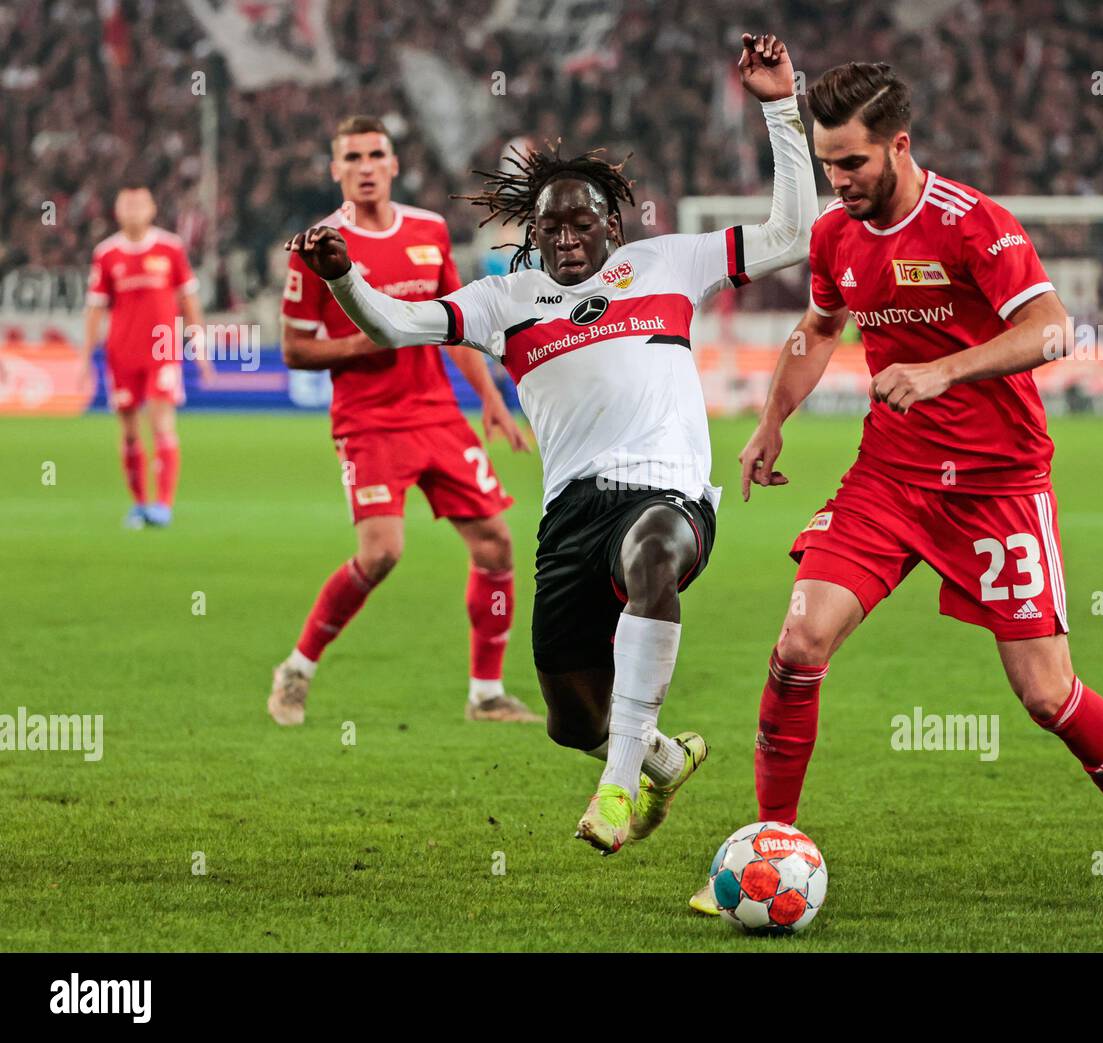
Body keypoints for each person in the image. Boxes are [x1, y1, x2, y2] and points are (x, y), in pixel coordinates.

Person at [692, 60, 1103, 916]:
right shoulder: (835, 234)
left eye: (853, 163)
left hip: (998, 484)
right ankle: (770, 846)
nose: (841, 182)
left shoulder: (977, 226)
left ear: (899, 145)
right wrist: (772, 420)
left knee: (1046, 693)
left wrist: (944, 372)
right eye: (828, 165)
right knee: (798, 642)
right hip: (890, 477)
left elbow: (1051, 331)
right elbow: (819, 328)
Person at [286, 34, 817, 854]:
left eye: (580, 220)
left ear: (612, 220)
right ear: (533, 234)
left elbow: (792, 232)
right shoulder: (507, 299)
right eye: (549, 225)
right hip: (570, 513)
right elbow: (396, 324)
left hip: (667, 489)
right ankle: (660, 757)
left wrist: (781, 106)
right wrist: (343, 279)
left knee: (653, 559)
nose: (566, 236)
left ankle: (615, 795)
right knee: (573, 719)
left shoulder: (669, 263)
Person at [270, 115, 539, 727]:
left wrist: (492, 399)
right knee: (382, 553)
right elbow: (294, 350)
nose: (365, 167)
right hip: (367, 420)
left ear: (393, 165)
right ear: (336, 170)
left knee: (497, 542)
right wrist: (365, 346)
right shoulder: (315, 246)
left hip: (436, 413)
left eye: (375, 155)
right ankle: (297, 669)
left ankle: (486, 694)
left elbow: (457, 324)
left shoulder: (428, 230)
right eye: (352, 157)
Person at [83, 184, 214, 528]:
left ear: (152, 208)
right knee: (128, 431)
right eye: (127, 203)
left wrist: (199, 346)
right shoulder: (106, 253)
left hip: (163, 348)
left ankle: (163, 505)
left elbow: (189, 300)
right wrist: (84, 357)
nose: (133, 210)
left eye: (140, 203)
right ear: (117, 209)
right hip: (121, 353)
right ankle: (139, 504)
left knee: (160, 423)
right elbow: (95, 309)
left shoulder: (170, 248)